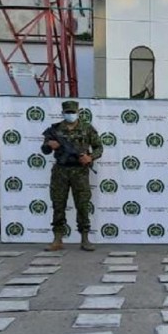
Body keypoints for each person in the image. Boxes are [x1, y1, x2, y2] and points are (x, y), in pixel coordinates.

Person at [41, 100, 103, 252]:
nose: (70, 115)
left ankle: (85, 238)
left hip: (80, 172)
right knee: (58, 204)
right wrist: (49, 145)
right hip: (60, 171)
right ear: (63, 113)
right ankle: (57, 239)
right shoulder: (55, 129)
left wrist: (90, 157)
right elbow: (45, 150)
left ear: (78, 112)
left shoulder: (87, 128)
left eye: (72, 112)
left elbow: (99, 147)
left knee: (82, 204)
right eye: (67, 112)